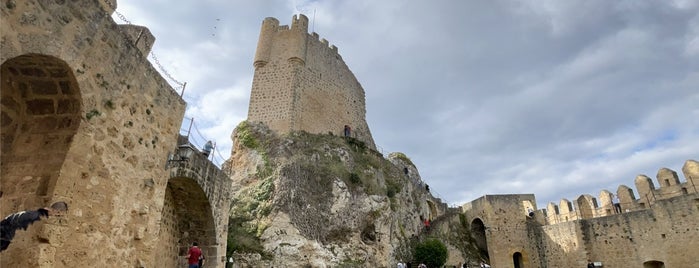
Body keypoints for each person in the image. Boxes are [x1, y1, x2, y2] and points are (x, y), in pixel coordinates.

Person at [1, 201, 68, 252]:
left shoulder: (38, 215)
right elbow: (11, 220)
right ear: (57, 211)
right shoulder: (34, 215)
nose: (56, 217)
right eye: (58, 215)